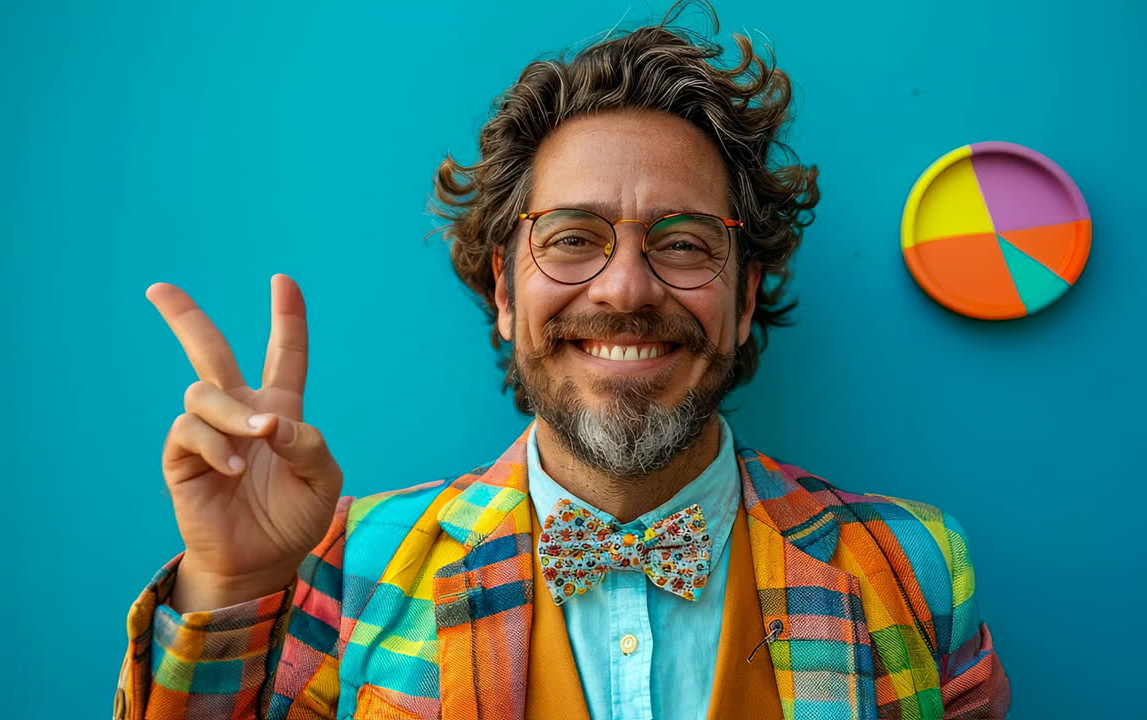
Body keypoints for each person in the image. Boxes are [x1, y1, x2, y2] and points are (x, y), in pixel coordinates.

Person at [114, 6, 1010, 720]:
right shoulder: (342, 566)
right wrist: (232, 584)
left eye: (685, 242)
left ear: (744, 298)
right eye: (573, 238)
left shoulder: (914, 565)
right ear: (504, 292)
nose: (625, 289)